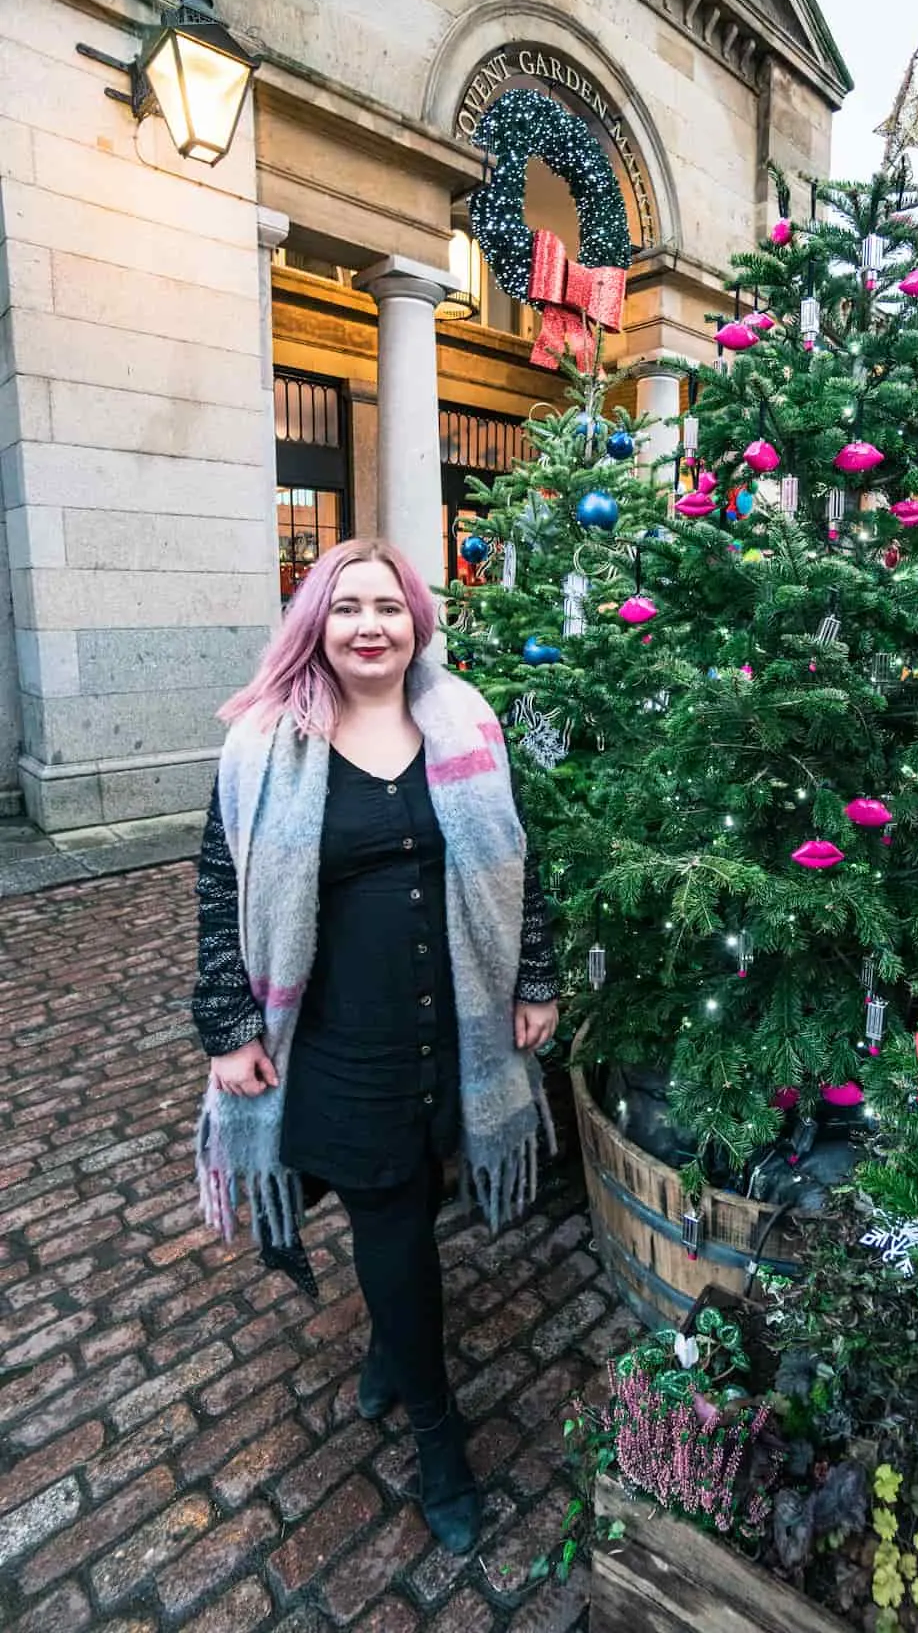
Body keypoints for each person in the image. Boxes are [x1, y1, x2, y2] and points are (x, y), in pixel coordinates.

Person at [191, 538, 559, 1555]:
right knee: (389, 1213)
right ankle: (441, 1441)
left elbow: (521, 859)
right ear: (317, 624)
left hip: (456, 1020)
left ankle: (393, 1353)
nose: (370, 625)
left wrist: (536, 983)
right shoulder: (266, 744)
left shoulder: (466, 721)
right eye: (348, 607)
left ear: (416, 622)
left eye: (388, 608)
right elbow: (221, 888)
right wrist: (227, 1030)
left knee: (416, 1197)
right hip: (340, 1040)